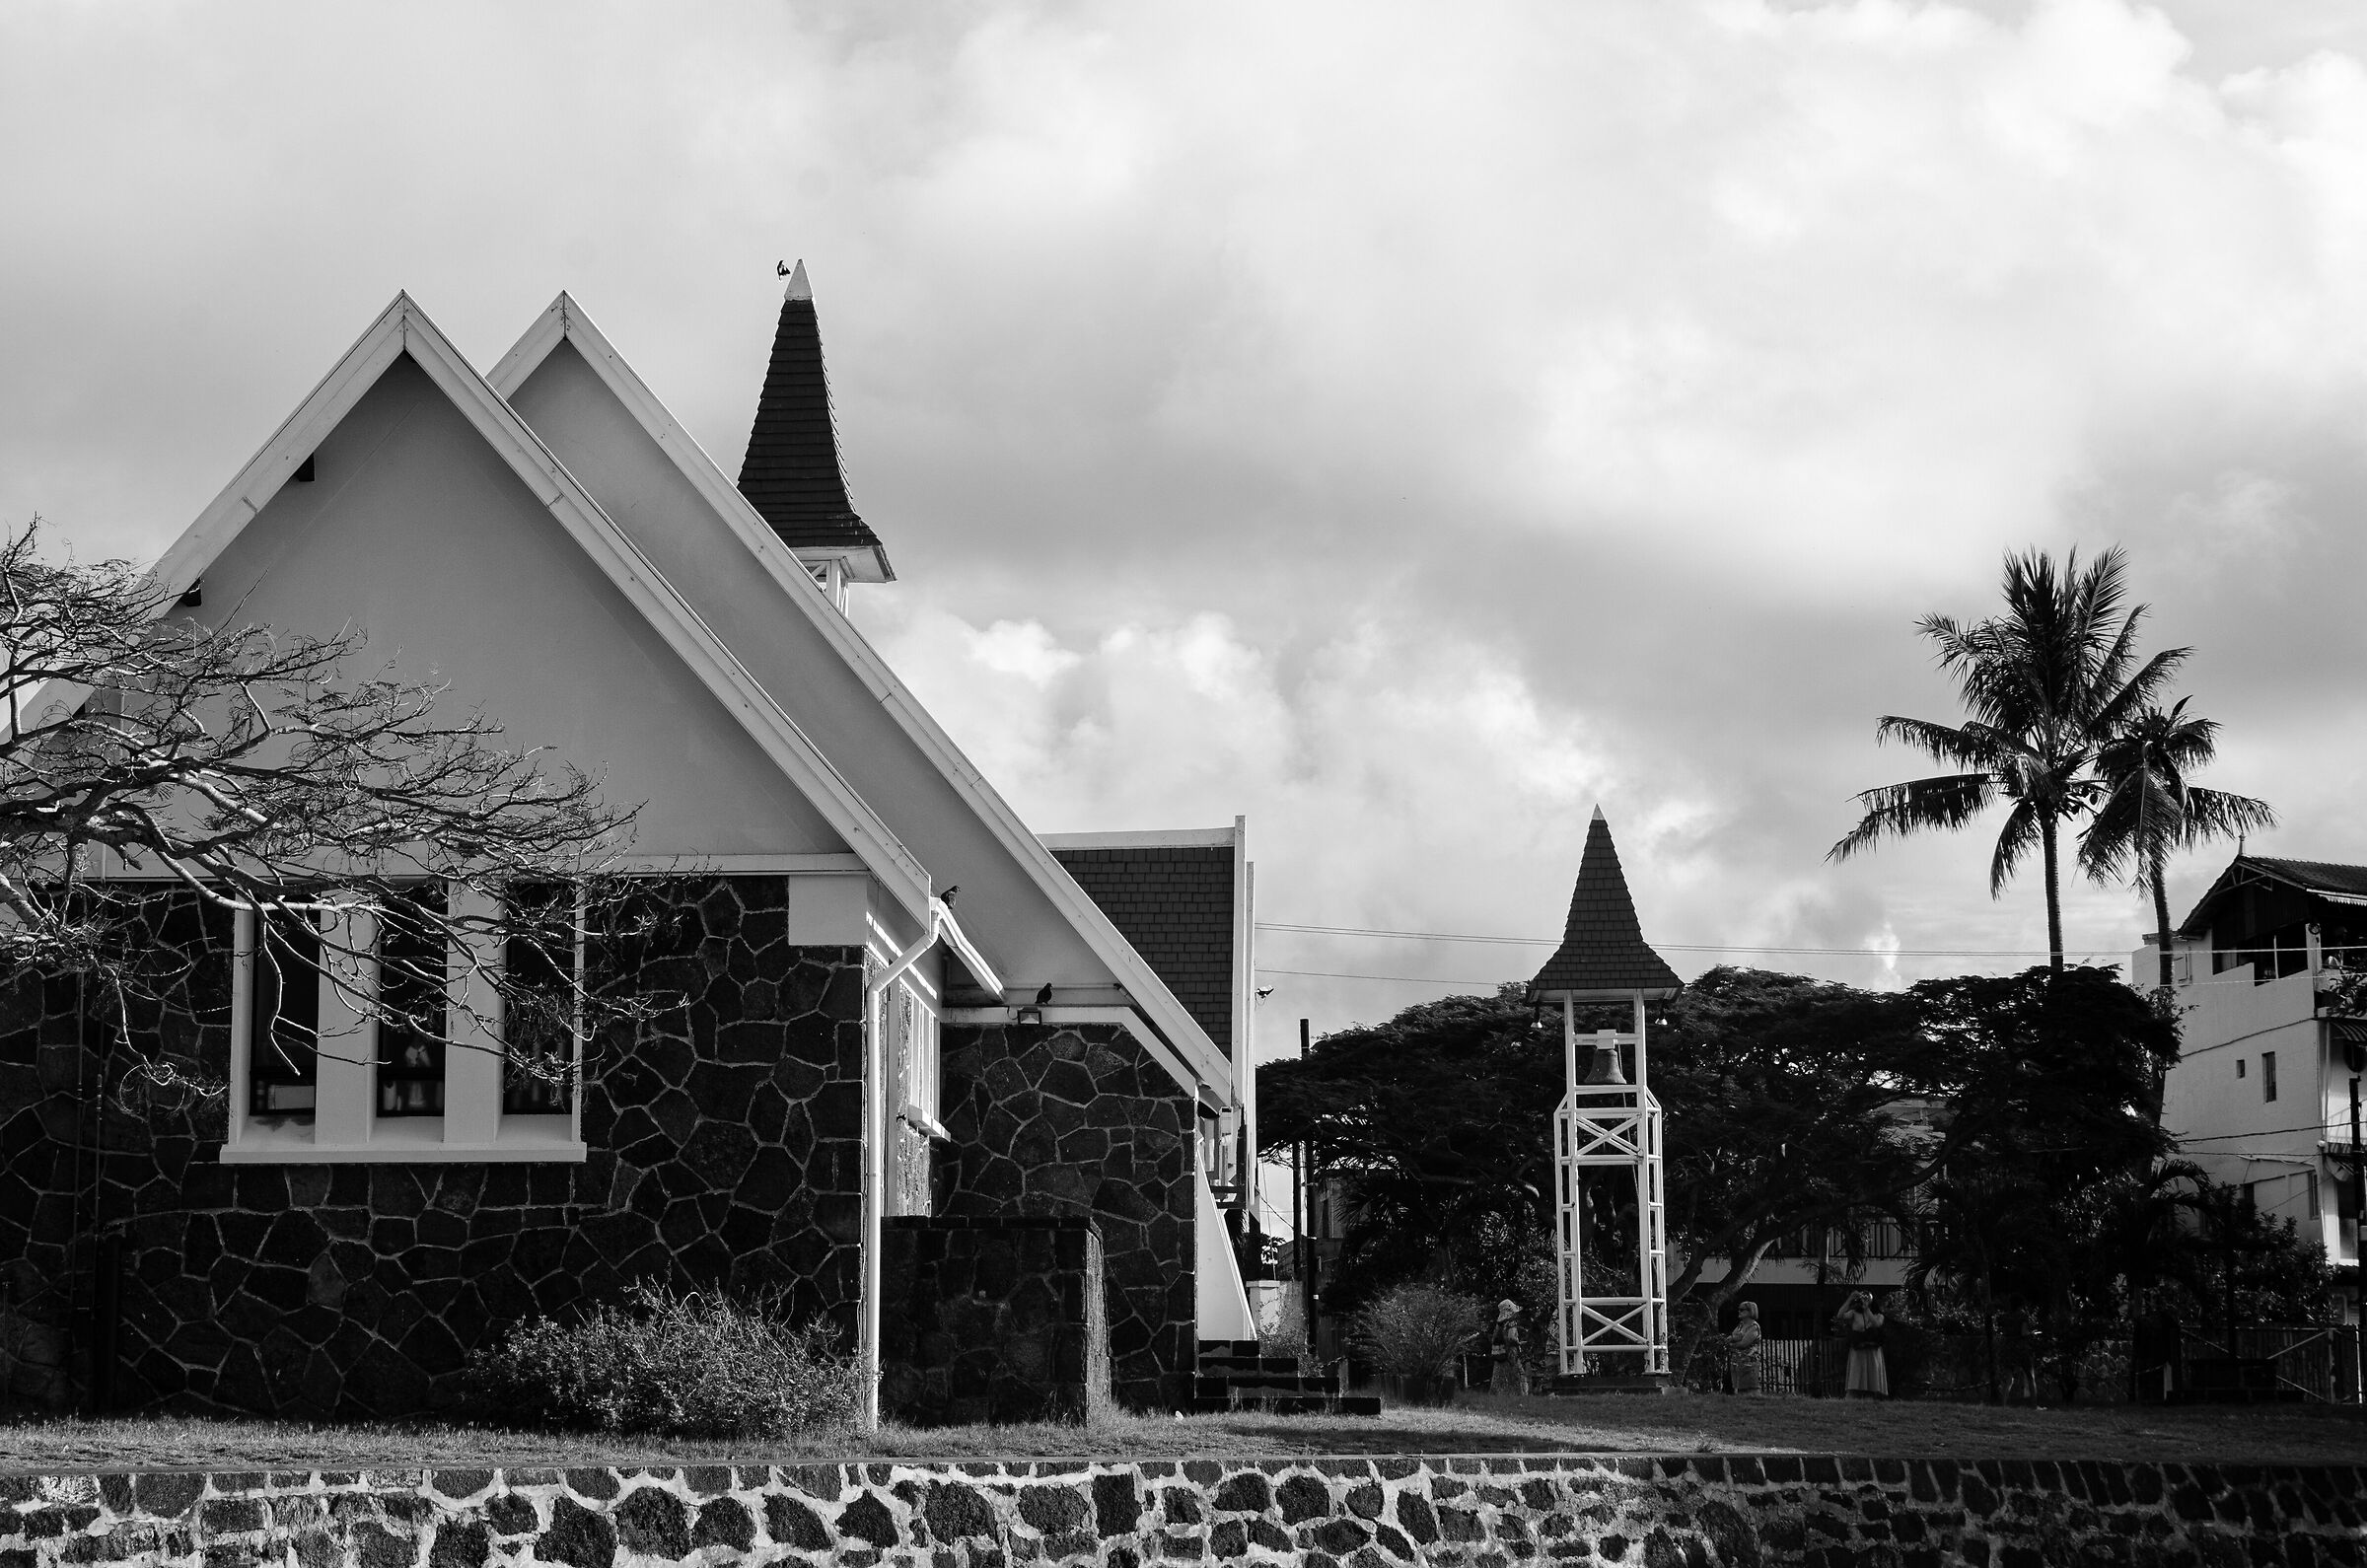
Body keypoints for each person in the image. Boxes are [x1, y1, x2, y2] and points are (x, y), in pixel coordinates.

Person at [1833, 1291, 1888, 1399]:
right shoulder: (1854, 1313)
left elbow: (1876, 1324)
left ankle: (1869, 1398)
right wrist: (1850, 1298)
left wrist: (1866, 1309)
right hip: (1858, 1349)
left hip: (1872, 1351)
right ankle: (1852, 1397)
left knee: (1872, 1380)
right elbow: (1840, 1315)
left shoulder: (1879, 1316)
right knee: (1856, 1376)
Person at [1490, 1299, 1531, 1395]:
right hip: (1510, 1352)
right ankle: (1523, 1394)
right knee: (1519, 1373)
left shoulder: (1499, 1324)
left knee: (1501, 1374)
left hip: (1499, 1352)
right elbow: (1511, 1337)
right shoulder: (1511, 1323)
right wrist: (1518, 1343)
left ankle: (1501, 1394)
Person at [1726, 1302, 1763, 1395]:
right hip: (1737, 1362)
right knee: (1738, 1389)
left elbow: (1743, 1343)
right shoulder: (1740, 1325)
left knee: (1749, 1389)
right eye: (1739, 1309)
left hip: (1749, 1363)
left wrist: (1733, 1343)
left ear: (1750, 1311)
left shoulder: (1754, 1327)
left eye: (1742, 1310)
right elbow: (1731, 1337)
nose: (1739, 1311)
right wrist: (1733, 1339)